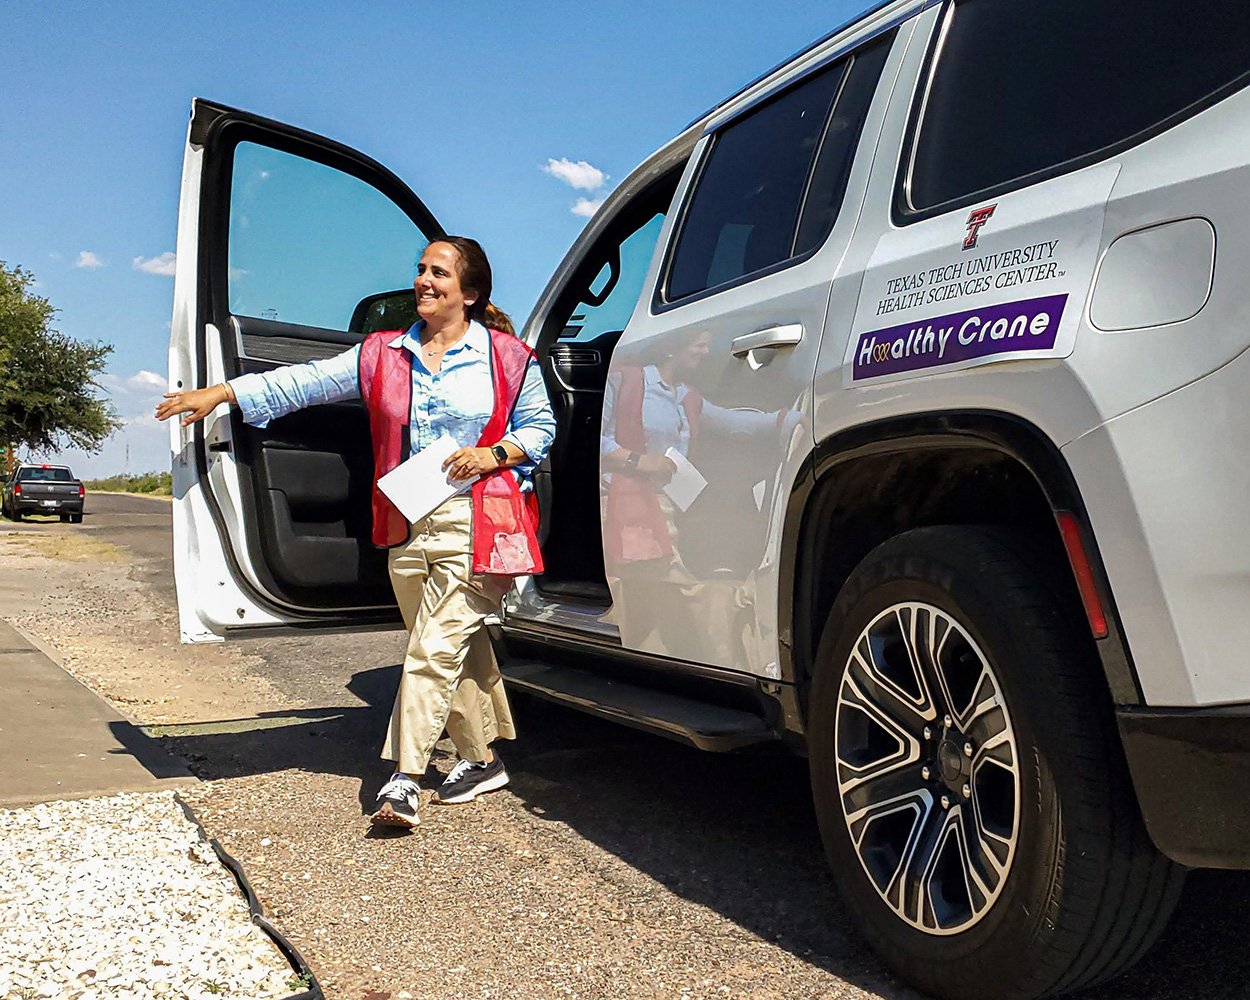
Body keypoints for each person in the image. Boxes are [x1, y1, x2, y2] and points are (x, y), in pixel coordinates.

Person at [157, 237, 555, 829]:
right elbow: (308, 381)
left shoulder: (508, 357)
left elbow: (541, 427)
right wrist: (223, 393)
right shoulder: (380, 354)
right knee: (454, 646)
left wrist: (493, 453)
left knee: (431, 649)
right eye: (420, 269)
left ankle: (404, 778)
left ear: (468, 292)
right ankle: (482, 760)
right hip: (407, 519)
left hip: (476, 519)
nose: (423, 279)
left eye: (438, 272)